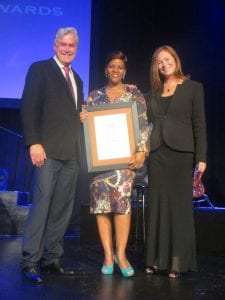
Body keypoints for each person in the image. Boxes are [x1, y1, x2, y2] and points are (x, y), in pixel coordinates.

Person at [20, 27, 84, 283]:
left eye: (72, 45)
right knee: (42, 206)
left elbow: (71, 113)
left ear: (76, 49)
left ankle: (51, 259)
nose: (68, 49)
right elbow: (29, 107)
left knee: (61, 210)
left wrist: (82, 117)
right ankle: (30, 261)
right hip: (46, 152)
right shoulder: (40, 69)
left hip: (71, 154)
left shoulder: (77, 79)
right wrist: (34, 142)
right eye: (63, 44)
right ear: (55, 46)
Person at [80, 50, 150, 277]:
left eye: (120, 67)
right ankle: (108, 255)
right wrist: (83, 120)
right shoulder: (94, 97)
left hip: (124, 162)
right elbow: (88, 132)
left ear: (125, 71)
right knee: (102, 208)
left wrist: (142, 152)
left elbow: (143, 124)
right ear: (105, 70)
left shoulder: (134, 95)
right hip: (100, 163)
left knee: (122, 207)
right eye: (111, 66)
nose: (115, 70)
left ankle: (121, 255)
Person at [144, 45, 207, 278]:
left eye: (167, 59)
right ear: (156, 67)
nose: (164, 64)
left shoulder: (193, 88)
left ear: (175, 60)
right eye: (159, 62)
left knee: (179, 209)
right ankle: (155, 259)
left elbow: (200, 125)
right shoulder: (154, 94)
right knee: (157, 205)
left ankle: (177, 262)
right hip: (158, 154)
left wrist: (202, 157)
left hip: (181, 154)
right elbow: (140, 121)